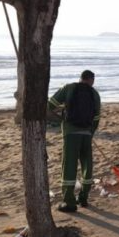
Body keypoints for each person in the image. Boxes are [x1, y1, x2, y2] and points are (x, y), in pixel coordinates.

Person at [48, 70, 101, 213]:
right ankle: (83, 198)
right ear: (92, 80)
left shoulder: (68, 88)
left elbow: (50, 105)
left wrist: (62, 116)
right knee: (86, 165)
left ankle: (69, 202)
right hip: (86, 134)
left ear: (80, 78)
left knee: (69, 166)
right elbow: (96, 118)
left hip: (70, 134)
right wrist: (90, 133)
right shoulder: (94, 94)